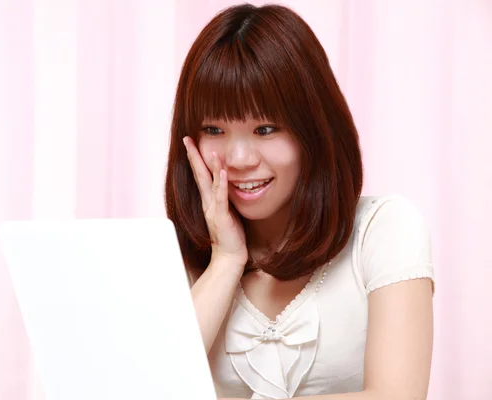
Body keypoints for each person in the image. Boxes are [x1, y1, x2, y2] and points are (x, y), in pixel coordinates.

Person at [164, 3, 434, 400]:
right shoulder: (182, 257)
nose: (239, 159)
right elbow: (147, 385)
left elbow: (397, 396)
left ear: (314, 130)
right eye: (215, 128)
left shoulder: (384, 230)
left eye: (265, 128)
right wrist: (225, 259)